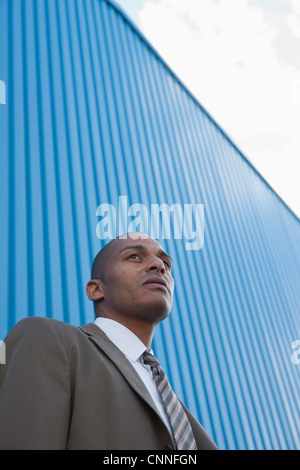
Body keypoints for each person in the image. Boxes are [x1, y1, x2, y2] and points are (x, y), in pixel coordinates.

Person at [0, 232, 218, 450]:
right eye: (134, 256)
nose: (159, 265)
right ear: (96, 289)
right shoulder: (47, 339)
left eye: (167, 264)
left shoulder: (176, 409)